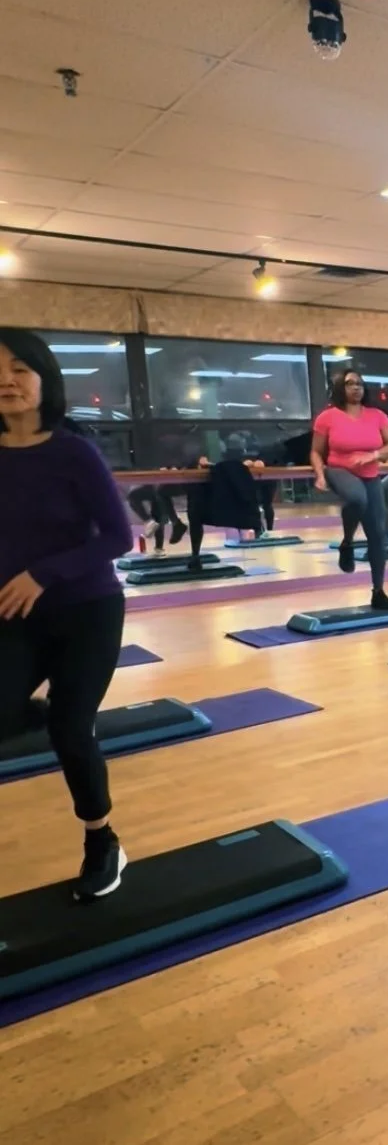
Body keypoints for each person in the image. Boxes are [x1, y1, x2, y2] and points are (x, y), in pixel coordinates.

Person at [0, 328, 134, 900]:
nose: (6, 381)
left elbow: (119, 537)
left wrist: (42, 574)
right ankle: (35, 711)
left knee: (72, 730)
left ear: (43, 379)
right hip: (13, 615)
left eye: (19, 370)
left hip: (87, 610)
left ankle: (102, 842)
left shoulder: (73, 450)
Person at [310, 367, 388, 610]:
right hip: (339, 470)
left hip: (370, 475)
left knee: (378, 536)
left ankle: (378, 591)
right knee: (356, 498)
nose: (356, 387)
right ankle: (348, 541)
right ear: (341, 388)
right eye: (351, 383)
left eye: (360, 383)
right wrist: (320, 475)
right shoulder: (327, 417)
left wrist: (373, 455)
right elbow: (316, 452)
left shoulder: (376, 415)